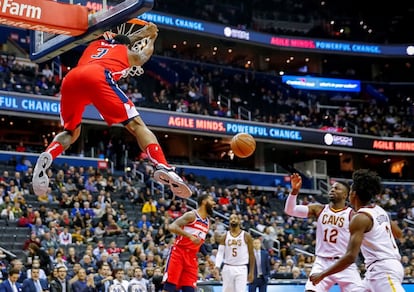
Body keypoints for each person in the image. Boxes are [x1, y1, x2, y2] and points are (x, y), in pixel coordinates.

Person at [32, 22, 191, 199]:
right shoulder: (125, 52)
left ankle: (49, 154)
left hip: (71, 79)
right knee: (137, 126)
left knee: (70, 131)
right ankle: (162, 165)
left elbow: (119, 40)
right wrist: (151, 38)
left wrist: (141, 33)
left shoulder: (94, 45)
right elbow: (142, 56)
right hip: (97, 76)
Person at [310, 169, 405, 292]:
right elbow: (399, 233)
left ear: (353, 194)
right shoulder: (379, 210)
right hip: (377, 270)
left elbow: (350, 257)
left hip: (382, 270)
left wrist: (322, 274)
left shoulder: (360, 218)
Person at [284, 173, 364, 292]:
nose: (332, 189)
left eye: (337, 188)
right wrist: (294, 191)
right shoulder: (319, 209)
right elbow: (290, 210)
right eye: (332, 188)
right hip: (322, 261)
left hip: (343, 263)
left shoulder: (352, 215)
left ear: (345, 195)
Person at [162, 193, 215, 292]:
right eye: (211, 200)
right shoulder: (191, 215)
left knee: (190, 289)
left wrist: (207, 258)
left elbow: (199, 242)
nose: (214, 203)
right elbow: (172, 227)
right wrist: (189, 236)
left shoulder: (207, 222)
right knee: (170, 288)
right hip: (178, 253)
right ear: (204, 201)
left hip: (191, 257)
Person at [214, 214, 254, 292]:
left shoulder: (246, 235)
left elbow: (251, 255)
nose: (233, 220)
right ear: (229, 222)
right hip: (228, 267)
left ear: (239, 221)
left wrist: (251, 272)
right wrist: (217, 267)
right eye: (231, 219)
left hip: (241, 267)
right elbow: (220, 253)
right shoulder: (225, 236)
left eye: (235, 218)